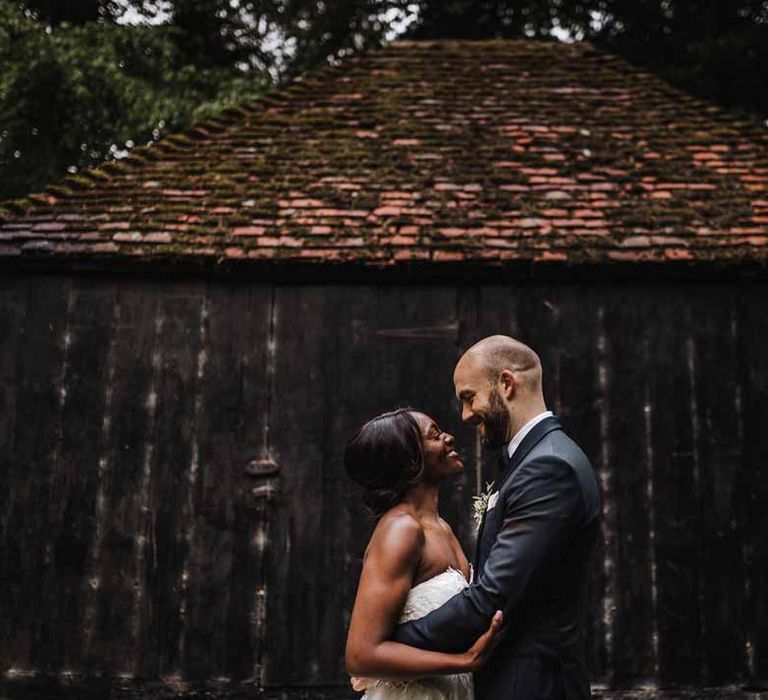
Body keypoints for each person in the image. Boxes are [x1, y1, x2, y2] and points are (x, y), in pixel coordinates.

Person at [393, 335, 602, 700]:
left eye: (469, 397)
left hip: (534, 685)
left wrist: (391, 644)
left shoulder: (548, 467)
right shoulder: (532, 460)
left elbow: (491, 599)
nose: (465, 415)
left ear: (506, 384)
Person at [344, 408, 504, 699]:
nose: (449, 438)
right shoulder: (401, 530)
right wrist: (465, 661)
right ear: (411, 460)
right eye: (435, 435)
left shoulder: (441, 527)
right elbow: (361, 654)